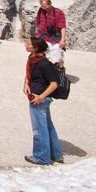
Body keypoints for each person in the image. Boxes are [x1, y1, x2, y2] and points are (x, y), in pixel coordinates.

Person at [23, 37, 63, 165]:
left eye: (28, 44)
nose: (26, 45)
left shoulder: (44, 63)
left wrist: (41, 97)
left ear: (36, 48)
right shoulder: (33, 58)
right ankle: (55, 155)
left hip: (39, 100)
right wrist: (26, 83)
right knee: (48, 126)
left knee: (39, 129)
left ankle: (41, 157)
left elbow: (54, 84)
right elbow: (30, 74)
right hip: (37, 97)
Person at [35, 0, 67, 69]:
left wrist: (63, 40)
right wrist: (36, 34)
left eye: (44, 6)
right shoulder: (41, 11)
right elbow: (38, 22)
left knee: (57, 57)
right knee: (40, 56)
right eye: (41, 6)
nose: (43, 8)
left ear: (50, 4)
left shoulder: (58, 12)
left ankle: (60, 70)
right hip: (42, 36)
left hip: (54, 38)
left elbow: (62, 26)